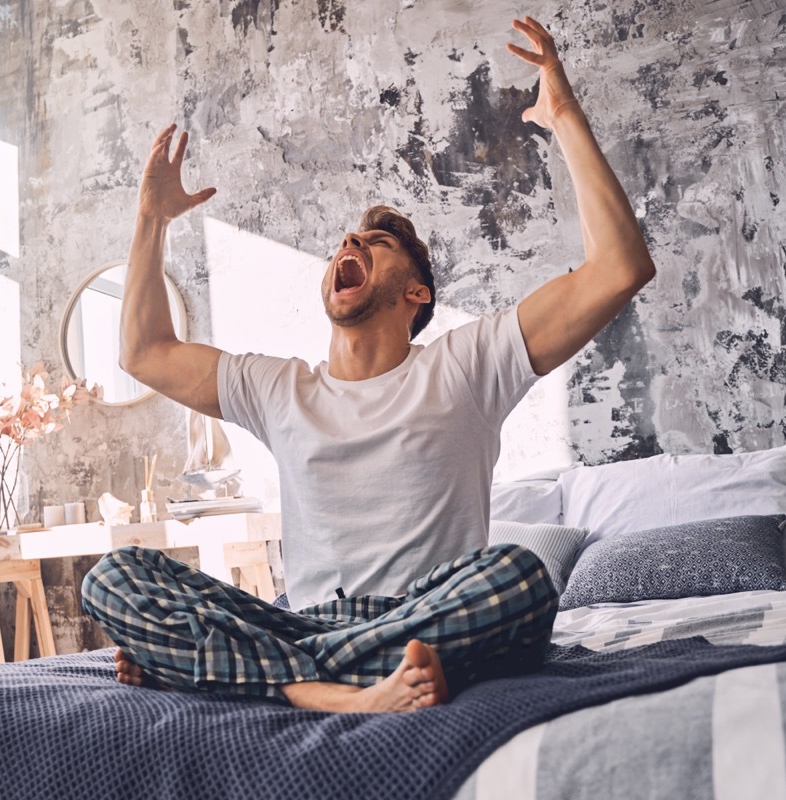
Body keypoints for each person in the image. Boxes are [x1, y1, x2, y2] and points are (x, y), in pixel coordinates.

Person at [80, 17, 655, 713]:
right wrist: (151, 220)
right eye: (346, 240)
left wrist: (562, 117)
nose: (350, 242)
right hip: (305, 623)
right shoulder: (277, 388)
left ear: (417, 293)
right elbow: (144, 352)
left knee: (521, 576)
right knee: (114, 578)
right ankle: (334, 688)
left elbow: (619, 267)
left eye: (375, 243)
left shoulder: (468, 363)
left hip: (425, 619)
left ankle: (267, 677)